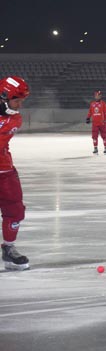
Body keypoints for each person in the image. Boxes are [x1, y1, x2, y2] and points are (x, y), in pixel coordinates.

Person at [0, 76, 31, 270]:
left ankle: (9, 249)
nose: (19, 105)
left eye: (21, 101)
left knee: (16, 211)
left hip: (4, 171)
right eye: (16, 100)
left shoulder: (14, 119)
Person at [86, 90, 106, 155]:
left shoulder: (103, 104)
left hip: (102, 123)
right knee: (94, 136)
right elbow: (90, 112)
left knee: (104, 136)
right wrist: (88, 118)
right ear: (94, 96)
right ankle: (95, 148)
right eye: (96, 95)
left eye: (99, 95)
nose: (97, 96)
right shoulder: (92, 104)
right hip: (95, 123)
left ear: (100, 96)